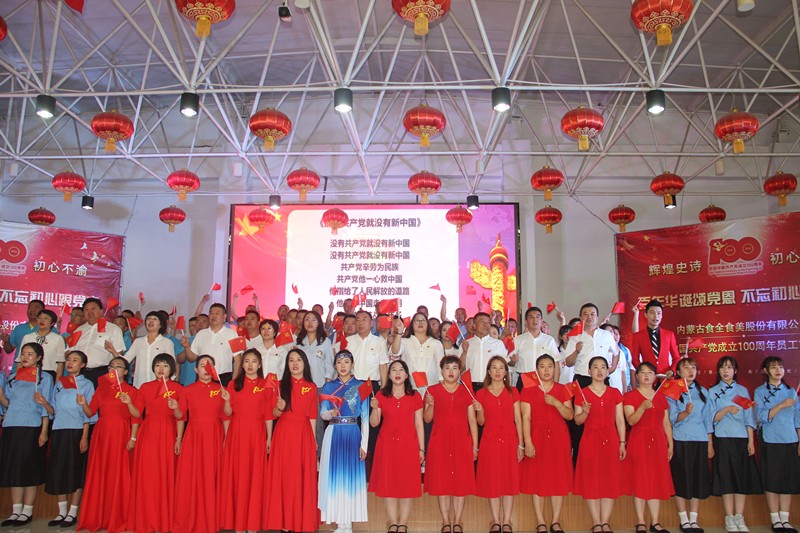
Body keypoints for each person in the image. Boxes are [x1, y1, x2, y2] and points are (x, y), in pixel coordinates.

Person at [77, 357, 143, 533]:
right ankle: (98, 516)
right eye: (111, 366)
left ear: (126, 372)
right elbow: (91, 412)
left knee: (119, 474)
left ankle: (119, 517)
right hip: (102, 434)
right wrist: (83, 404)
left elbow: (137, 416)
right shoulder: (102, 389)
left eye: (118, 367)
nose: (113, 369)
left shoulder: (131, 391)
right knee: (100, 473)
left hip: (121, 433)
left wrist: (133, 438)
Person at [264, 348, 319, 532]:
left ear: (305, 364)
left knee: (301, 478)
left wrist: (313, 439)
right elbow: (273, 413)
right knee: (285, 477)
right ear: (287, 365)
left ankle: (299, 522)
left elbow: (312, 415)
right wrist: (279, 408)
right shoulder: (280, 385)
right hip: (284, 434)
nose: (295, 364)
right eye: (291, 360)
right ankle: (285, 524)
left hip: (303, 434)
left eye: (299, 360)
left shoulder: (311, 386)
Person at [219, 348, 275, 533]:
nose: (250, 365)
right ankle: (238, 523)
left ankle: (252, 524)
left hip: (257, 433)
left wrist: (269, 437)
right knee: (238, 476)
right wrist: (227, 400)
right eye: (246, 361)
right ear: (242, 365)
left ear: (259, 365)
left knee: (255, 475)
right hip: (237, 433)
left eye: (254, 361)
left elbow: (268, 414)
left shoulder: (265, 384)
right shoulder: (233, 384)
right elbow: (227, 413)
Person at [173, 355, 230, 533]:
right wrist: (178, 436)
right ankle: (190, 518)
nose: (206, 368)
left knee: (211, 475)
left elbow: (227, 416)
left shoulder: (221, 389)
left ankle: (211, 519)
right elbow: (180, 416)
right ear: (196, 370)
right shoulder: (188, 390)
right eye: (202, 365)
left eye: (210, 365)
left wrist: (226, 439)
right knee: (192, 475)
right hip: (194, 436)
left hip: (214, 435)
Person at [0, 342, 55, 526]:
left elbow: (46, 409)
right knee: (14, 469)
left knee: (29, 468)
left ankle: (27, 510)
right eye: (23, 353)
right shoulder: (13, 377)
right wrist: (1, 396)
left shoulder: (44, 378)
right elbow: (8, 404)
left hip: (32, 426)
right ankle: (15, 510)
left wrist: (44, 431)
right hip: (11, 426)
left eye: (30, 354)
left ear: (39, 358)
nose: (25, 357)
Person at [128, 354, 184, 533]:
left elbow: (181, 417)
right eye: (158, 365)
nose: (161, 369)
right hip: (149, 432)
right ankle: (146, 519)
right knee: (148, 476)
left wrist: (179, 438)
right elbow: (137, 414)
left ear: (172, 369)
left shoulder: (178, 388)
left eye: (165, 366)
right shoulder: (145, 387)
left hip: (168, 432)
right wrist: (129, 403)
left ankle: (164, 520)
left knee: (165, 476)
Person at [424, 356, 478, 533]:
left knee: (460, 483)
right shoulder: (432, 390)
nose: (451, 371)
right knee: (442, 482)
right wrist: (431, 405)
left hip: (462, 441)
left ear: (459, 371)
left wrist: (475, 446)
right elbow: (427, 418)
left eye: (455, 368)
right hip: (439, 441)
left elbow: (472, 420)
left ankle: (457, 521)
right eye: (447, 367)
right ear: (441, 371)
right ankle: (446, 521)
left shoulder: (466, 391)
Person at [520, 354, 574, 533]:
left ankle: (555, 521)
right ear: (537, 370)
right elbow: (525, 418)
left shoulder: (563, 389)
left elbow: (569, 415)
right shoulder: (528, 390)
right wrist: (528, 442)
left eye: (550, 366)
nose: (546, 370)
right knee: (538, 479)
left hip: (559, 438)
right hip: (537, 437)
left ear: (555, 368)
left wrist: (557, 403)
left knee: (558, 479)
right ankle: (541, 521)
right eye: (542, 366)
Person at [573, 356, 627, 533]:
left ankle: (605, 522)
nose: (599, 370)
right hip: (590, 440)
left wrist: (622, 443)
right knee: (592, 480)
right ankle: (596, 521)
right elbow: (578, 421)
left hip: (611, 440)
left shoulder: (615, 393)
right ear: (589, 371)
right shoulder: (582, 393)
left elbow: (620, 420)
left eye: (603, 367)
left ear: (608, 370)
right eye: (595, 367)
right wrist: (585, 412)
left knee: (609, 480)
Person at [369, 360, 424, 533]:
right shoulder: (381, 395)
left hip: (409, 444)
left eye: (401, 370)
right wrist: (374, 408)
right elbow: (374, 423)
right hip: (387, 444)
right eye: (393, 370)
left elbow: (419, 424)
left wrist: (421, 449)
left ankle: (403, 523)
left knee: (407, 484)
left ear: (407, 375)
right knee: (389, 484)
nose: (397, 373)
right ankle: (393, 523)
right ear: (389, 375)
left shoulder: (415, 396)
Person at [41, 351, 94, 527]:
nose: (70, 363)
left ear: (83, 365)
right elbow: (53, 411)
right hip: (58, 430)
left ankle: (72, 512)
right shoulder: (60, 384)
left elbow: (89, 415)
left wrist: (84, 437)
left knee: (75, 471)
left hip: (76, 431)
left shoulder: (87, 384)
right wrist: (44, 403)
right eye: (69, 360)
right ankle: (61, 512)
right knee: (59, 470)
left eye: (75, 360)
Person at [318, 350, 370, 533]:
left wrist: (364, 445)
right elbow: (323, 413)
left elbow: (365, 416)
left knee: (350, 477)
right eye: (339, 362)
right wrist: (330, 413)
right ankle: (340, 523)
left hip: (352, 432)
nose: (343, 365)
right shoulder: (329, 386)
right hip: (334, 432)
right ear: (334, 365)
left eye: (346, 362)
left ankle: (348, 523)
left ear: (352, 364)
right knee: (335, 476)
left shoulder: (361, 386)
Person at [709, 356, 761, 533]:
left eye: (729, 367)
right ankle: (729, 517)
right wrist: (726, 410)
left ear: (735, 371)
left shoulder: (742, 390)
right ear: (718, 371)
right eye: (723, 367)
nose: (726, 371)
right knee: (726, 479)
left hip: (741, 439)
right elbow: (711, 418)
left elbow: (749, 418)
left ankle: (740, 516)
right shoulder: (712, 391)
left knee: (741, 478)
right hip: (722, 439)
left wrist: (751, 441)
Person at [624, 362, 674, 533]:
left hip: (658, 442)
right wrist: (642, 408)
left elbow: (666, 422)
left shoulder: (661, 396)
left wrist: (670, 443)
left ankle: (655, 521)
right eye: (643, 372)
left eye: (650, 373)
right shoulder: (631, 396)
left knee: (656, 480)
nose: (646, 375)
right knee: (640, 480)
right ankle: (640, 521)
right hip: (639, 441)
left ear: (655, 377)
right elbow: (631, 421)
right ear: (637, 376)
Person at [475, 356, 523, 533]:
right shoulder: (481, 393)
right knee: (492, 481)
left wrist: (521, 445)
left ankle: (507, 521)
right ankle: (496, 521)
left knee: (509, 480)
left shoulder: (513, 392)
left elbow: (518, 419)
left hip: (510, 439)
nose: (497, 371)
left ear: (506, 372)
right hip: (490, 440)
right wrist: (480, 411)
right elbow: (481, 422)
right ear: (488, 371)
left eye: (501, 368)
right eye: (494, 367)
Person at [754, 356, 799, 533]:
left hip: (790, 440)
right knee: (771, 480)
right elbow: (760, 417)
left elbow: (797, 419)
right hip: (770, 441)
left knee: (787, 481)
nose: (778, 370)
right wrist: (780, 405)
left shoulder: (791, 391)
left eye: (780, 367)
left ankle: (785, 519)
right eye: (773, 367)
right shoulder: (759, 391)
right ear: (766, 371)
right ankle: (775, 520)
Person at [668, 358, 713, 533]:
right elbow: (672, 419)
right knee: (681, 479)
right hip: (681, 439)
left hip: (700, 439)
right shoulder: (672, 390)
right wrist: (685, 412)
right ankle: (684, 519)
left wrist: (710, 443)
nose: (690, 371)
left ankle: (694, 519)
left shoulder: (703, 391)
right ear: (678, 372)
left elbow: (708, 420)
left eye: (693, 367)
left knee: (697, 480)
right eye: (686, 368)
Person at [68, 298, 126, 386]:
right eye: (86, 309)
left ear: (101, 311)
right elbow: (70, 352)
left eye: (93, 309)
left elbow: (119, 356)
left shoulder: (113, 329)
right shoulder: (78, 330)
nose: (90, 312)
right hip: (80, 373)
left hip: (102, 372)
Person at [182, 303, 242, 385]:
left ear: (224, 316)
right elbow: (191, 358)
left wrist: (234, 380)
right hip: (203, 377)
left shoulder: (233, 334)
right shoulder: (201, 334)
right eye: (211, 313)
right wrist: (186, 347)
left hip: (223, 378)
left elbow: (238, 359)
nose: (213, 316)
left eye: (217, 313)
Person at [390, 311, 444, 395]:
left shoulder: (436, 343)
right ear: (412, 325)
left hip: (432, 385)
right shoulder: (405, 341)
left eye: (423, 320)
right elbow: (395, 352)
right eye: (417, 320)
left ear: (427, 324)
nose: (420, 322)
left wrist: (442, 383)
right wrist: (399, 332)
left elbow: (440, 366)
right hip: (410, 387)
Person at [510, 307, 558, 388]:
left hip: (544, 380)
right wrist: (513, 360)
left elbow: (556, 363)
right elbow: (510, 362)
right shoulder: (518, 340)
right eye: (531, 317)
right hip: (524, 379)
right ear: (526, 321)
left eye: (537, 317)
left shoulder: (549, 340)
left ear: (541, 320)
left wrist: (556, 385)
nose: (535, 320)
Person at [124, 311, 175, 387]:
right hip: (140, 384)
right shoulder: (138, 341)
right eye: (148, 318)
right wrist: (113, 351)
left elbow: (171, 364)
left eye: (154, 319)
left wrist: (171, 382)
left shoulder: (167, 342)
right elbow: (126, 359)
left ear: (160, 325)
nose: (151, 321)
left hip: (160, 385)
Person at [630, 300, 680, 377]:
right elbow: (634, 359)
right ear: (646, 315)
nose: (656, 316)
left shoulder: (669, 335)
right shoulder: (638, 336)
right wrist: (644, 372)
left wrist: (672, 371)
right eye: (652, 312)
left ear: (662, 316)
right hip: (648, 379)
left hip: (666, 377)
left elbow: (676, 357)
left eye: (659, 313)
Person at [463, 312, 508, 391]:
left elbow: (504, 367)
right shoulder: (466, 344)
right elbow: (460, 368)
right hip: (471, 385)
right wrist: (464, 352)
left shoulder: (498, 344)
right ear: (474, 325)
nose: (486, 325)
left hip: (492, 384)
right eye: (482, 322)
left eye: (488, 323)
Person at [21, 308, 66, 380]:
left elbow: (60, 363)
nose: (42, 320)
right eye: (40, 318)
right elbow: (20, 360)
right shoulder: (27, 337)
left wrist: (57, 383)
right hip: (29, 372)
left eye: (46, 319)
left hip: (49, 373)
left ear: (52, 323)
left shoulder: (58, 338)